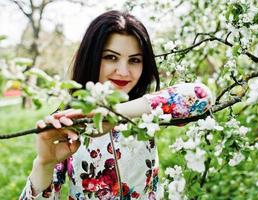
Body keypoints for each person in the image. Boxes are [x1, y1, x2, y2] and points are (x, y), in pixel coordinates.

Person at [20, 10, 213, 200]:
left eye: (135, 60)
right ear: (92, 57)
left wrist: (115, 113)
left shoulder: (144, 109)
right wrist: (44, 164)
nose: (123, 71)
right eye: (111, 57)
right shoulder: (67, 124)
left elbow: (202, 96)